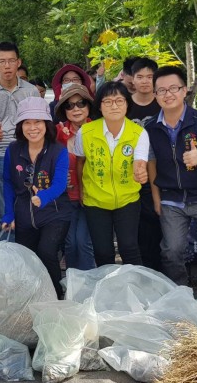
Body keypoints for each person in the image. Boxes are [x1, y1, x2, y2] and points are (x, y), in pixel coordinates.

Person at [145, 66, 197, 292]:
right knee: (171, 251)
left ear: (184, 91)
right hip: (171, 198)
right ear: (154, 95)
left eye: (173, 88)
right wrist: (156, 197)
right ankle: (180, 296)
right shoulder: (150, 127)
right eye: (161, 90)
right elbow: (151, 162)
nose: (167, 94)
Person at [72, 81, 149, 266]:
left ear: (127, 104)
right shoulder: (86, 132)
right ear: (99, 105)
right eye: (107, 101)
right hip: (95, 200)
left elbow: (140, 163)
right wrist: (82, 190)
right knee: (103, 251)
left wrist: (141, 173)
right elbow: (80, 161)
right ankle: (107, 291)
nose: (114, 106)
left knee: (129, 248)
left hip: (127, 199)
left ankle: (135, 289)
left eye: (119, 100)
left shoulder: (138, 133)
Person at [1, 97, 72, 298]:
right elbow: (7, 182)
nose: (33, 127)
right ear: (20, 126)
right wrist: (8, 214)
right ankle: (32, 299)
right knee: (28, 259)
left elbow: (59, 184)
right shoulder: (13, 150)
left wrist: (44, 195)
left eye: (38, 122)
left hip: (54, 213)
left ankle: (56, 297)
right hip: (24, 215)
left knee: (47, 252)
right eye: (27, 122)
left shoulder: (58, 150)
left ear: (46, 124)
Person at [0, 42, 39, 239]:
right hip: (1, 155)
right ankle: (3, 261)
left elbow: (40, 125)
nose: (7, 66)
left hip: (29, 155)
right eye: (2, 61)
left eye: (11, 61)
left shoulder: (31, 92)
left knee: (31, 207)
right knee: (4, 211)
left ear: (18, 62)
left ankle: (28, 257)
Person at [54, 83, 96, 271]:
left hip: (92, 197)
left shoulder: (100, 131)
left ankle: (90, 288)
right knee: (70, 244)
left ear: (89, 106)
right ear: (64, 110)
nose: (76, 109)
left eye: (81, 103)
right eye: (69, 105)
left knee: (84, 242)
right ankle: (72, 286)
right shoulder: (56, 133)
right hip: (66, 198)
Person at [128, 57, 164, 272]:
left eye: (150, 77)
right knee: (137, 230)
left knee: (158, 229)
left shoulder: (163, 103)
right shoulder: (124, 104)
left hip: (160, 174)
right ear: (131, 79)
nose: (144, 81)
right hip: (132, 176)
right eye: (139, 76)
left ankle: (159, 274)